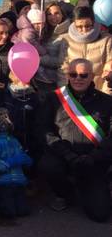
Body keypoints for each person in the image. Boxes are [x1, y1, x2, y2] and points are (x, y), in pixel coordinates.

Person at [39, 58, 112, 222]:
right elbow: (44, 129)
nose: (78, 78)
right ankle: (66, 193)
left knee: (100, 215)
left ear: (92, 76)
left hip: (93, 160)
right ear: (68, 76)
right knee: (47, 165)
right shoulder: (53, 99)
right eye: (73, 74)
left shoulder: (107, 102)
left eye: (83, 75)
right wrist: (65, 153)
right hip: (63, 156)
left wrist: (95, 157)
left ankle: (90, 187)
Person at [0, 108, 32, 223]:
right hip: (3, 183)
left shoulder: (14, 140)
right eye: (6, 119)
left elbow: (21, 153)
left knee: (23, 211)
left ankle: (12, 209)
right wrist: (10, 162)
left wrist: (26, 160)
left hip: (19, 180)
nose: (9, 121)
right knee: (8, 211)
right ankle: (3, 211)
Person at [59, 6, 112, 93]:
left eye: (87, 26)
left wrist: (105, 95)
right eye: (79, 26)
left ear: (93, 22)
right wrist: (66, 93)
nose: (84, 30)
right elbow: (62, 70)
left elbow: (109, 72)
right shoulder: (66, 40)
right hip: (73, 95)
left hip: (99, 92)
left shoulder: (107, 39)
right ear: (73, 23)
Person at [38, 2, 71, 92]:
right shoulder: (43, 31)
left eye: (56, 13)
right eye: (49, 14)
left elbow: (63, 61)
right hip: (39, 80)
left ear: (62, 14)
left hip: (55, 82)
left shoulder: (68, 34)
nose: (53, 17)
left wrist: (39, 59)